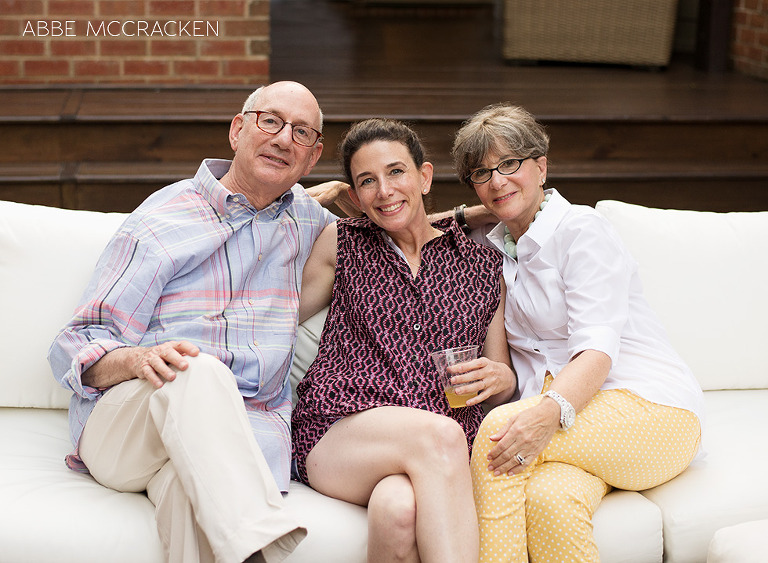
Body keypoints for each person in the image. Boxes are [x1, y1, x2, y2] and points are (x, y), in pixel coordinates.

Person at [47, 81, 349, 563]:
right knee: (200, 367)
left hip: (236, 440)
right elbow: (76, 342)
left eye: (300, 132)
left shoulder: (308, 223)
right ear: (237, 130)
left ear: (311, 159)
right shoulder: (163, 217)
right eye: (269, 121)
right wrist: (139, 357)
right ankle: (258, 540)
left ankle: (239, 539)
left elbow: (409, 225)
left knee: (189, 495)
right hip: (132, 424)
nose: (282, 138)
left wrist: (485, 213)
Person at [450, 103, 705, 562]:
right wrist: (475, 213)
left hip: (651, 410)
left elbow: (597, 352)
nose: (497, 180)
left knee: (497, 437)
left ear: (541, 165)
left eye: (510, 164)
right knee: (550, 500)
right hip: (582, 422)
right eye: (482, 173)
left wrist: (542, 416)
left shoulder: (581, 231)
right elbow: (417, 228)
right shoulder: (496, 247)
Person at [291, 118, 517, 563]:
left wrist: (500, 377)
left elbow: (503, 378)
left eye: (396, 172)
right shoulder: (342, 243)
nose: (384, 190)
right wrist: (294, 205)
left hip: (440, 442)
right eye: (367, 181)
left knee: (398, 509)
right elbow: (275, 317)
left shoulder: (481, 264)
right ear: (355, 197)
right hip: (340, 431)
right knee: (442, 436)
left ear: (424, 177)